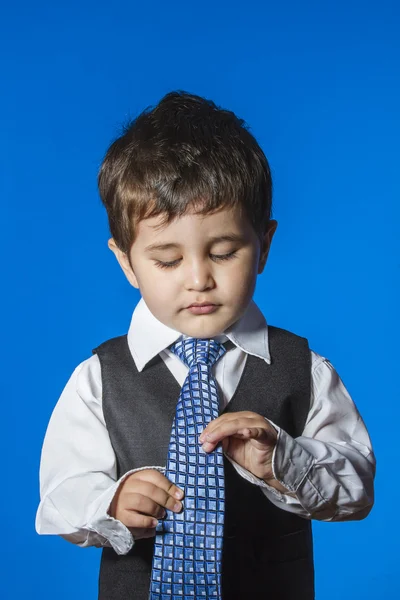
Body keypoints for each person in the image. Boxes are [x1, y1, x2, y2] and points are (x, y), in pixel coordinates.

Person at [36, 91, 375, 600]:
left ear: (264, 245)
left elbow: (356, 490)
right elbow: (58, 498)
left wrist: (283, 460)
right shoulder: (99, 377)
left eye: (223, 251)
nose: (199, 279)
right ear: (127, 262)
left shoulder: (303, 369)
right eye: (168, 260)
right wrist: (111, 501)